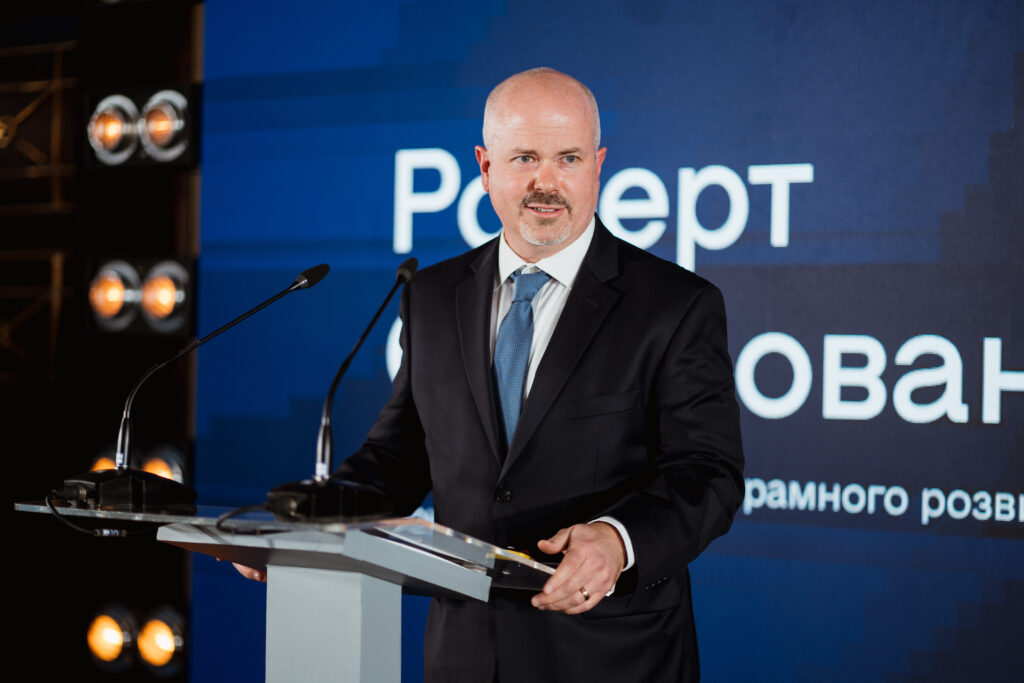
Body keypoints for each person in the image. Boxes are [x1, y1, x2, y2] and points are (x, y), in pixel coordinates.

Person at [239, 67, 744, 682]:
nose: (546, 182)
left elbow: (708, 474)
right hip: (466, 655)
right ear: (484, 166)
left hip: (611, 655)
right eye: (525, 157)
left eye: (568, 158)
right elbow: (397, 460)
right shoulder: (431, 294)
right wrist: (306, 525)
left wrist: (617, 540)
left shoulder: (675, 304)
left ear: (599, 164)